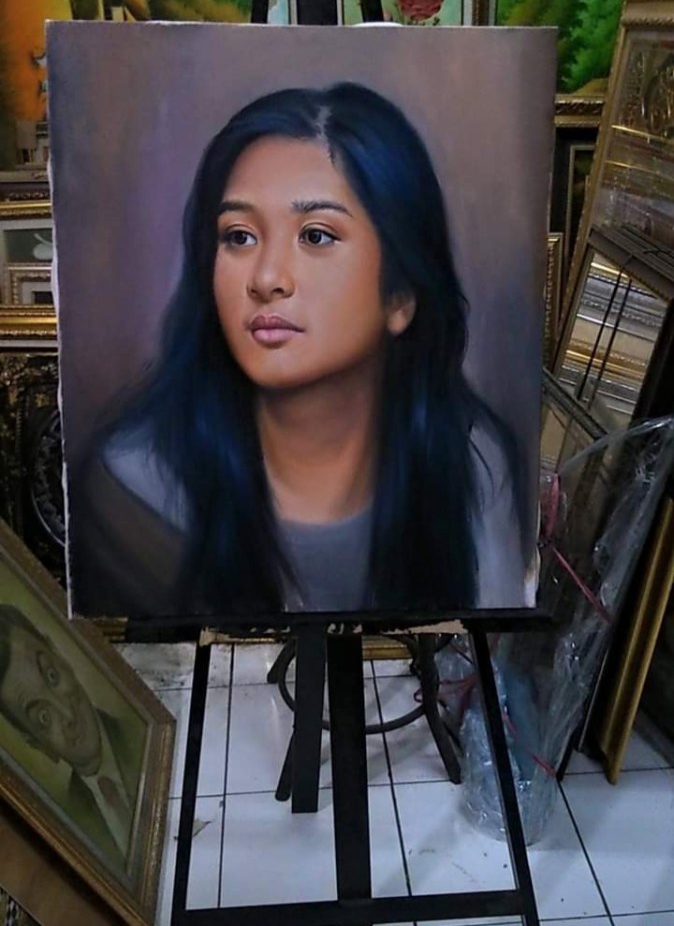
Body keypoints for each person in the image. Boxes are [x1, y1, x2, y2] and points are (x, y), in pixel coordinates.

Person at [68, 82, 536, 618]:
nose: (266, 278)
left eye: (315, 236)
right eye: (239, 236)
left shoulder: (472, 462)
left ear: (401, 295)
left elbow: (492, 657)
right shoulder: (138, 488)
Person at [0, 604, 144, 868]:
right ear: (34, 741)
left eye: (52, 676)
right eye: (43, 717)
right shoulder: (71, 829)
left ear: (59, 655)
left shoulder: (141, 733)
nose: (67, 714)